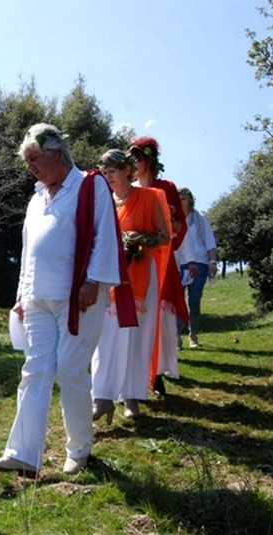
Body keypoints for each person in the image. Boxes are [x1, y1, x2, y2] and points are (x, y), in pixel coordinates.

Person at [0, 123, 123, 476]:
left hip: (79, 297)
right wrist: (20, 296)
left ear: (56, 154)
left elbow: (105, 235)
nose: (30, 165)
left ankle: (79, 450)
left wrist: (93, 280)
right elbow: (29, 251)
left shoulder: (91, 185)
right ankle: (23, 454)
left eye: (34, 158)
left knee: (70, 370)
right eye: (26, 159)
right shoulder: (35, 198)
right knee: (35, 371)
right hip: (37, 298)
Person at [91, 150, 171, 421]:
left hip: (140, 281)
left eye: (112, 170)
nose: (108, 176)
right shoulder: (102, 202)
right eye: (104, 172)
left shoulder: (149, 197)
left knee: (135, 339)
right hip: (109, 279)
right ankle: (101, 397)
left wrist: (140, 239)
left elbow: (164, 236)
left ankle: (131, 398)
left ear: (127, 170)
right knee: (104, 337)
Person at [128, 136, 188, 395]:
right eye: (131, 157)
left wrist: (167, 223)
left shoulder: (166, 187)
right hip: (132, 262)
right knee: (134, 315)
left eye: (138, 157)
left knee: (159, 315)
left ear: (149, 160)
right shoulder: (127, 189)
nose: (134, 162)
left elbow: (178, 226)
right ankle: (132, 372)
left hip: (159, 260)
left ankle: (156, 372)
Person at [176, 187, 218, 348]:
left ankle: (193, 335)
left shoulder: (199, 220)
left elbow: (210, 242)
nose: (181, 202)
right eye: (178, 199)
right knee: (178, 299)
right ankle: (176, 336)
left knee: (194, 299)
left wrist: (212, 262)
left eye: (184, 199)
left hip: (199, 262)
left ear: (190, 201)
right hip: (179, 263)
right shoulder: (174, 219)